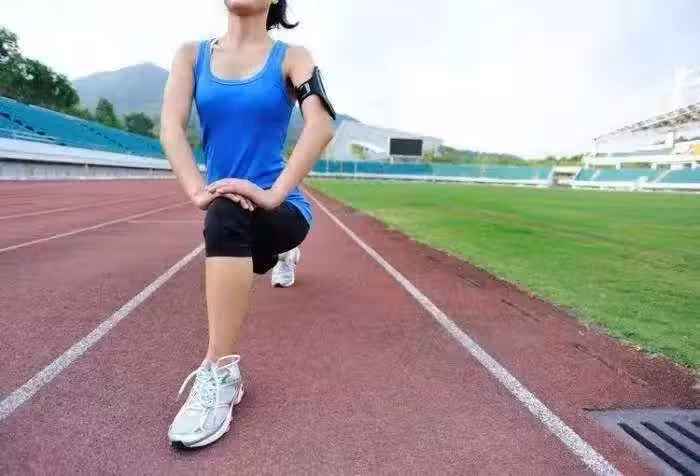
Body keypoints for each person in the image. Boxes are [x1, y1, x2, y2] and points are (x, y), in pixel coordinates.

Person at [160, 0, 335, 448]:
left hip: (281, 209)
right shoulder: (191, 56)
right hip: (230, 209)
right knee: (227, 214)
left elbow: (320, 125)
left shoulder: (292, 57)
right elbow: (171, 128)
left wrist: (272, 194)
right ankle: (273, 256)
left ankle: (221, 373)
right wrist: (197, 190)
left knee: (227, 216)